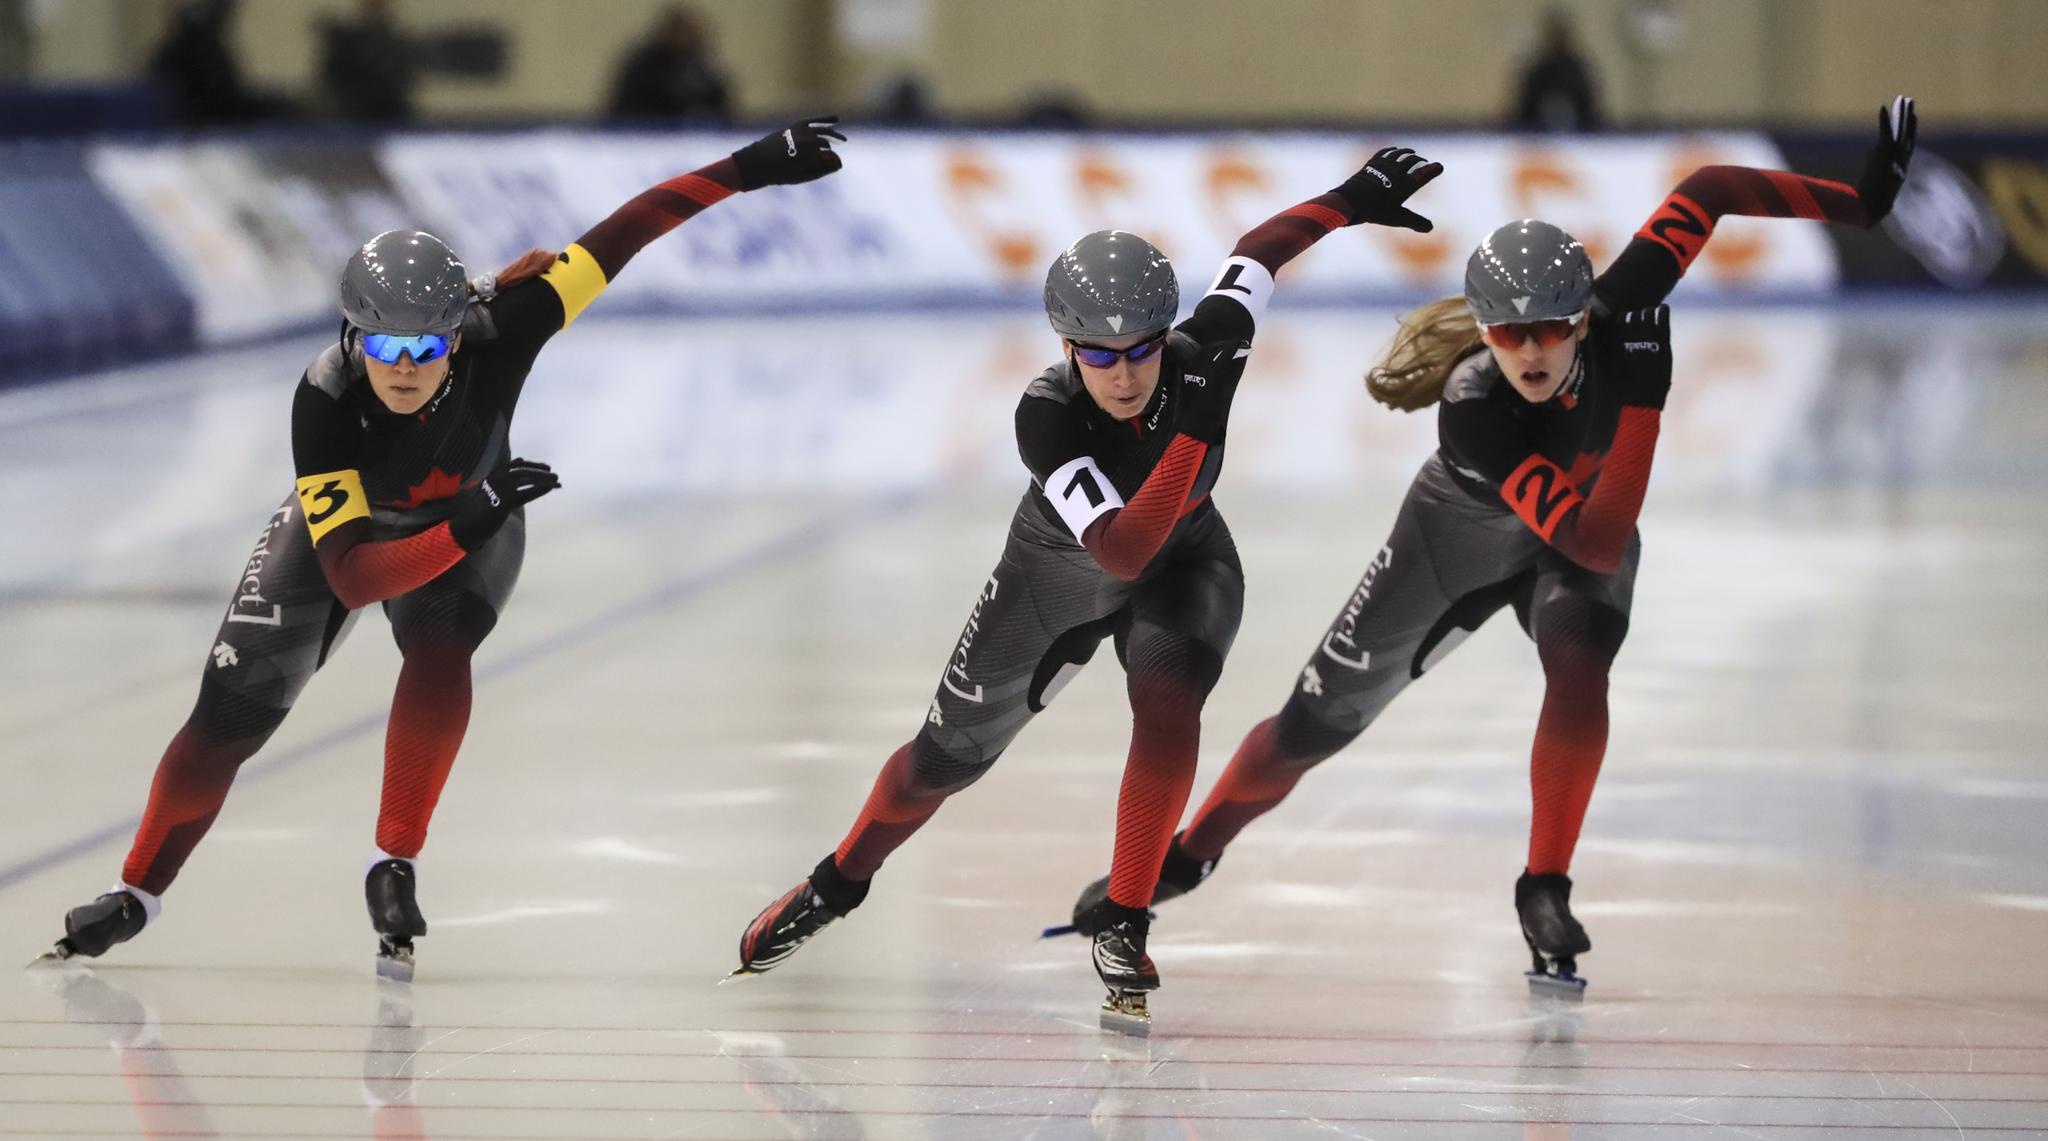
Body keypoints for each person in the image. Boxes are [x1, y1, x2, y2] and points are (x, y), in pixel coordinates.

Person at [1066, 97, 1921, 991]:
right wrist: (1644, 403)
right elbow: (1594, 541)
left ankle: (1544, 883)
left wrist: (1860, 202)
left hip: (1578, 534)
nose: (1534, 347)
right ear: (1482, 332)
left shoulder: (1616, 308)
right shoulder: (1476, 408)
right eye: (1511, 332)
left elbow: (1708, 190)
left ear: (1584, 315)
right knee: (1307, 730)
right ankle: (1192, 853)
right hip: (1457, 538)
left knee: (1579, 660)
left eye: (1553, 325)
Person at [37, 118, 850, 979]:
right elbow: (350, 577)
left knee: (438, 645)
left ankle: (394, 859)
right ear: (353, 333)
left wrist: (747, 167)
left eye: (426, 343)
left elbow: (623, 232)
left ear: (458, 332)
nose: (404, 364)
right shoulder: (323, 399)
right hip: (389, 528)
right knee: (225, 717)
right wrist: (478, 511)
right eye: (382, 342)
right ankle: (138, 892)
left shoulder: (511, 325)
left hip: (471, 523)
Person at [730, 145, 1446, 1032]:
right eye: (1100, 355)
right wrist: (1197, 426)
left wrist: (1346, 199)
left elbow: (1257, 253)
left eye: (1143, 348)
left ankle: (1126, 916)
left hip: (1187, 561)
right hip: (1063, 569)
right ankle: (835, 885)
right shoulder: (1048, 413)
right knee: (940, 764)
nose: (1124, 371)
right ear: (1067, 348)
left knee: (1170, 701)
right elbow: (1117, 547)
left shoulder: (1207, 346)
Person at [607, 4, 731, 123]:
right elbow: (628, 108)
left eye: (688, 32)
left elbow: (721, 107)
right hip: (646, 135)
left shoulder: (703, 69)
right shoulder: (642, 67)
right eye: (678, 30)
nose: (683, 38)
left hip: (696, 137)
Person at [318, 0, 416, 124]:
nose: (376, 9)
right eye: (372, 4)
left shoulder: (397, 45)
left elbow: (404, 81)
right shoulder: (345, 45)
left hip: (390, 116)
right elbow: (334, 82)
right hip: (350, 116)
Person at [1511, 7, 1603, 132]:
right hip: (1539, 137)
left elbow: (1589, 108)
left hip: (1575, 136)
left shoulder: (1577, 70)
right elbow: (1524, 109)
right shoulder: (1538, 68)